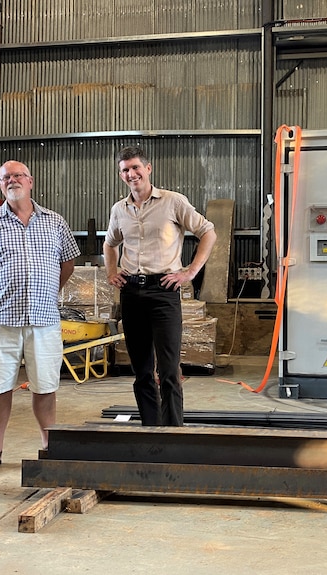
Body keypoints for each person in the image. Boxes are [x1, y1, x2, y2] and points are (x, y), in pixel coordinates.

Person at [0, 160, 80, 476]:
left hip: (44, 320)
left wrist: (48, 290)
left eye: (17, 175)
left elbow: (68, 262)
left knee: (45, 386)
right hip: (0, 322)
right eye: (5, 177)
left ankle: (49, 446)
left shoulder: (54, 222)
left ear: (30, 181)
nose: (12, 180)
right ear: (0, 185)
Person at [104, 146, 216, 426]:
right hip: (131, 293)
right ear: (121, 175)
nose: (131, 174)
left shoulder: (173, 202)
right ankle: (150, 430)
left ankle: (173, 432)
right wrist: (111, 271)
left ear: (148, 168)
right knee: (141, 371)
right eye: (125, 170)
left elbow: (208, 232)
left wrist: (190, 271)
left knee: (168, 370)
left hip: (163, 292)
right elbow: (110, 243)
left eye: (135, 168)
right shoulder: (120, 209)